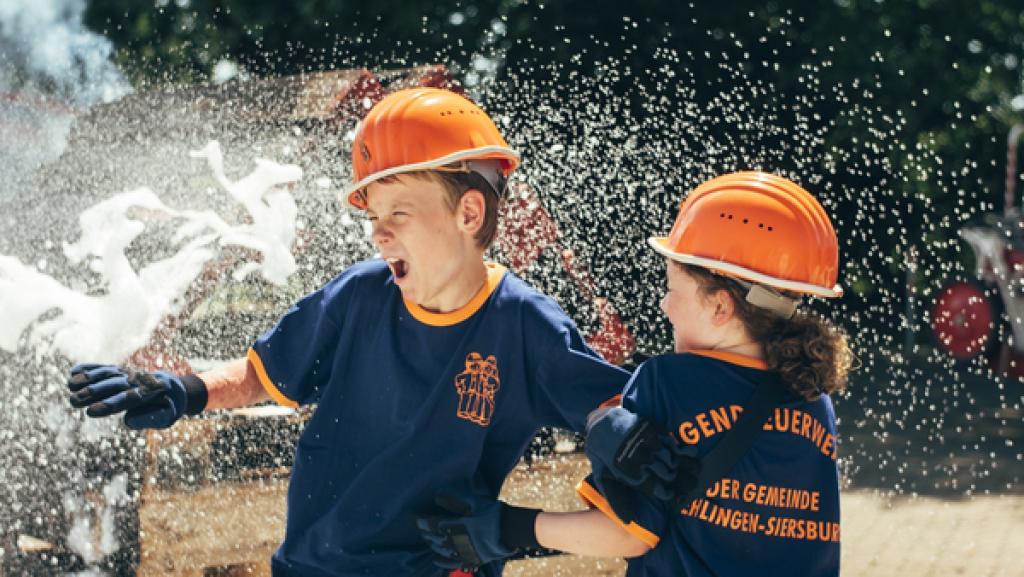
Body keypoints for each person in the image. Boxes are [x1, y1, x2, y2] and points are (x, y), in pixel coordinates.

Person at [65, 87, 631, 577]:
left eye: (399, 215)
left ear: (469, 214)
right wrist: (185, 390)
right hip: (312, 564)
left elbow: (620, 417)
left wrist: (606, 437)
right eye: (373, 218)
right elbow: (264, 372)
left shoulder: (525, 323)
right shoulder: (359, 295)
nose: (379, 235)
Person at [417, 171, 853, 577]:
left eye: (672, 290)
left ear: (721, 306)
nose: (664, 306)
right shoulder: (813, 398)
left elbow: (629, 533)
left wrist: (505, 527)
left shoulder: (668, 381)